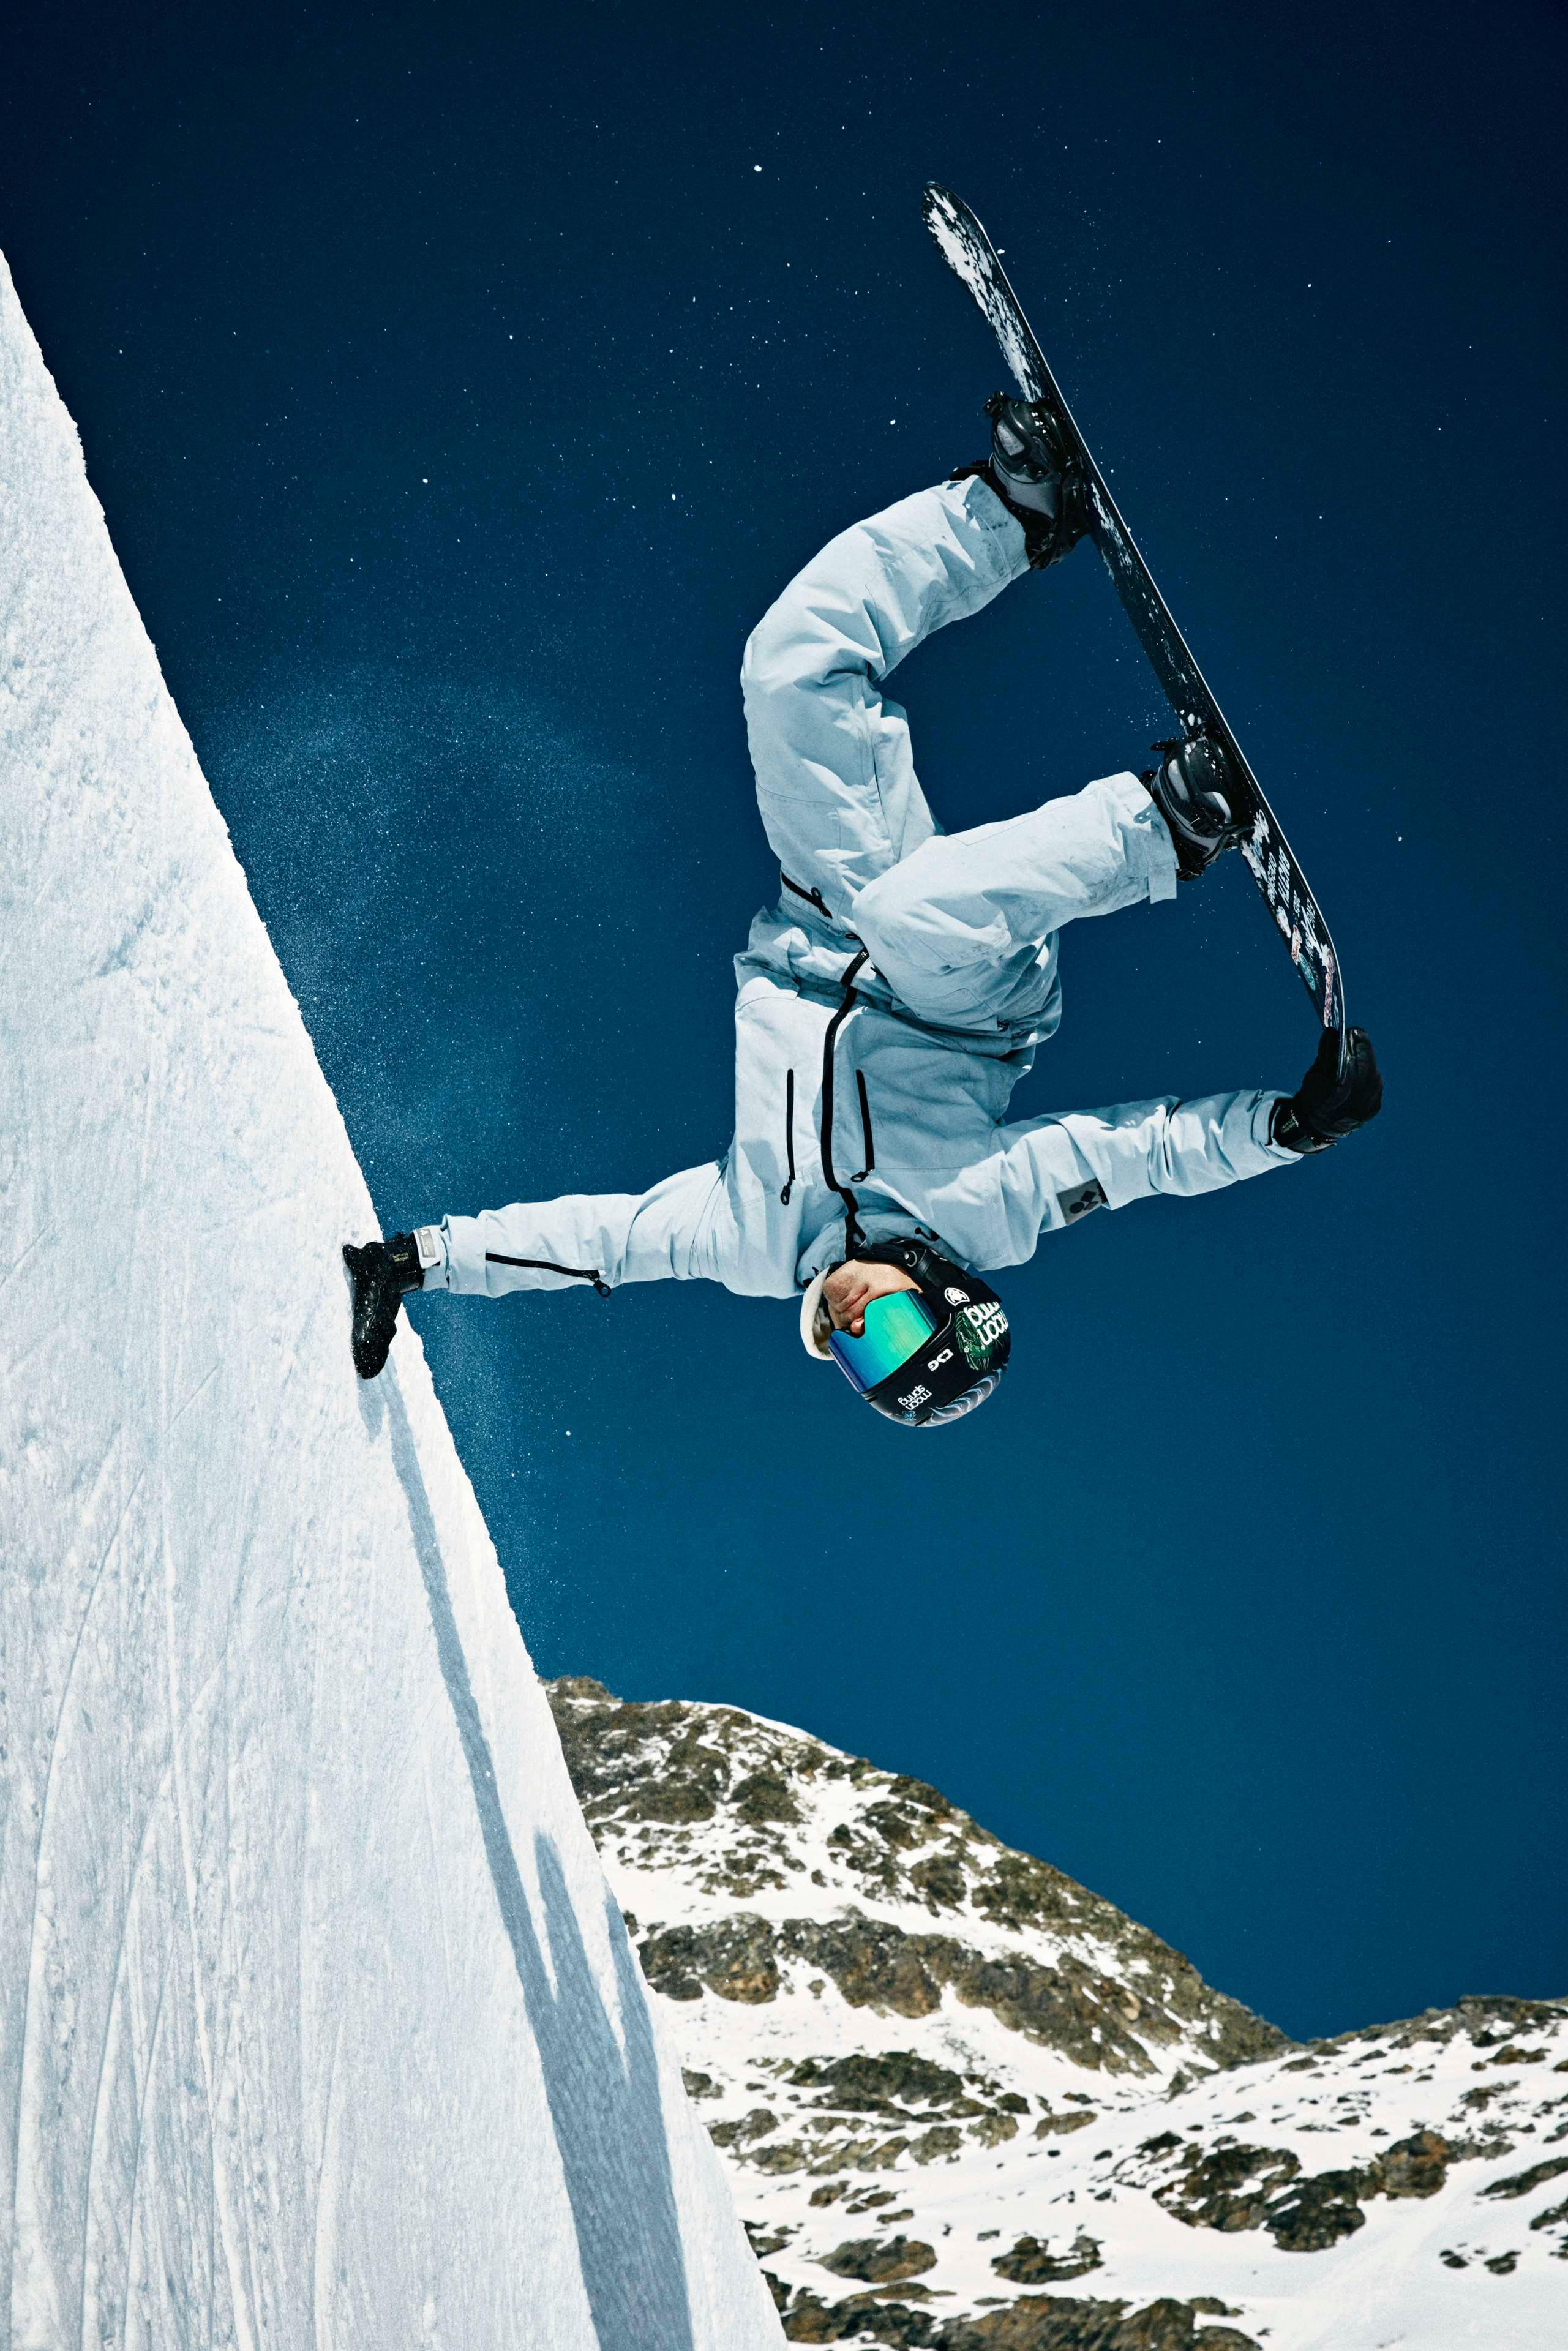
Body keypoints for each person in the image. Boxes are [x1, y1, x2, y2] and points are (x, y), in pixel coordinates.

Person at [345, 397, 1381, 1424]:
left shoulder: (748, 1244)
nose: (848, 1324)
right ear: (949, 1295)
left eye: (852, 1357)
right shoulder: (985, 1210)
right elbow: (1140, 1155)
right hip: (960, 999)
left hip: (823, 923)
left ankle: (1010, 515)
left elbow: (602, 1245)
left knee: (789, 669)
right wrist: (1285, 1130)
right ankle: (1173, 825)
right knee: (913, 912)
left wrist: (422, 1262)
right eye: (889, 1332)